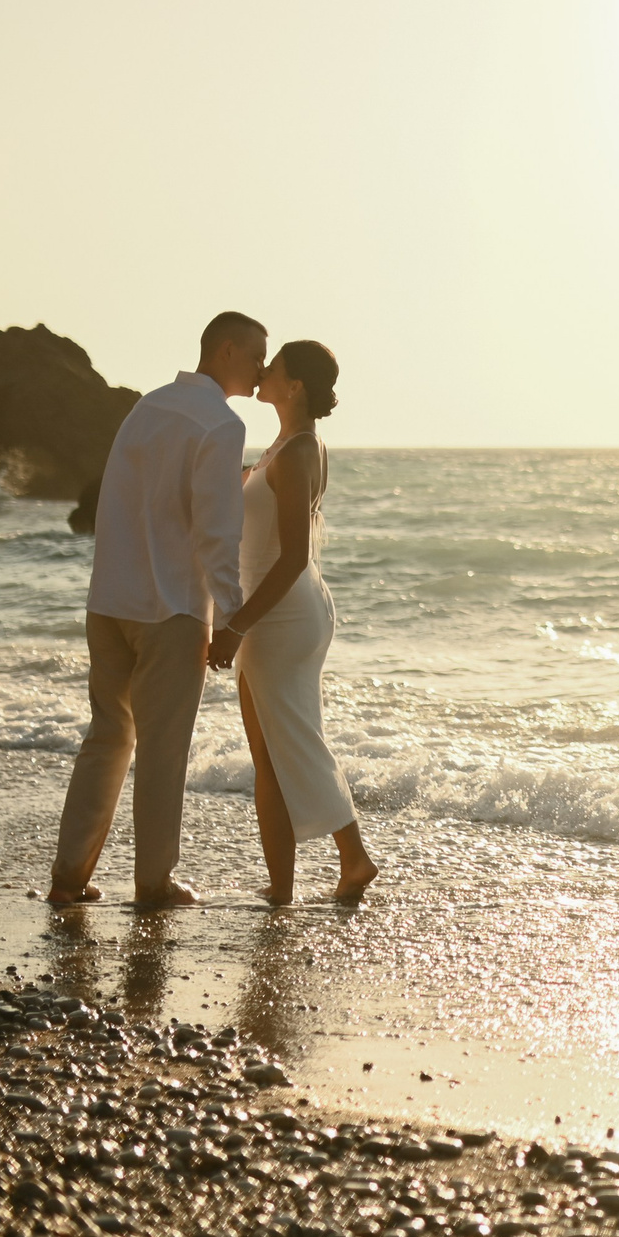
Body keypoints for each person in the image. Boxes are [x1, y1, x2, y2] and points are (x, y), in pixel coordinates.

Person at [47, 312, 265, 907]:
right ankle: (153, 882)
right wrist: (231, 616)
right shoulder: (220, 423)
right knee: (163, 751)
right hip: (171, 609)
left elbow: (130, 499)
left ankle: (69, 876)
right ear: (226, 351)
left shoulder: (147, 407)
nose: (263, 369)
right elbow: (216, 533)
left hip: (110, 599)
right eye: (256, 357)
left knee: (108, 736)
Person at [228, 338, 377, 902]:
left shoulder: (297, 452)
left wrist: (236, 624)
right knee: (274, 751)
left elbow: (290, 557)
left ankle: (353, 857)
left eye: (275, 366)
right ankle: (284, 885)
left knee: (291, 746)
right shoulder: (286, 444)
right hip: (285, 611)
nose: (262, 369)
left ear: (294, 387)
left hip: (280, 617)